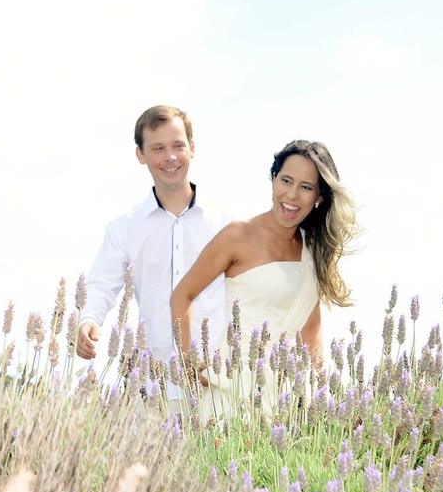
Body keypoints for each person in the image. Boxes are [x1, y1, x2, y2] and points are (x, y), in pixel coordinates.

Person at [170, 139, 358, 415]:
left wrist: (314, 393)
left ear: (319, 197)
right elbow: (182, 295)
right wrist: (188, 361)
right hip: (233, 385)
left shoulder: (312, 249)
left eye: (305, 187)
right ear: (273, 179)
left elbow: (311, 328)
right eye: (286, 180)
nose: (292, 195)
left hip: (288, 396)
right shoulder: (238, 235)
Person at [75, 105, 230, 407]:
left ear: (192, 148)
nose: (170, 157)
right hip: (153, 387)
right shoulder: (124, 227)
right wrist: (89, 319)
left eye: (177, 146)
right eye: (158, 148)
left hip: (215, 385)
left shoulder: (224, 223)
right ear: (140, 155)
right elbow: (100, 286)